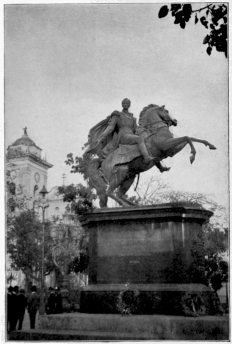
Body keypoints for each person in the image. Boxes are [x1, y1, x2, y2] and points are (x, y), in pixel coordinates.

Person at [86, 98, 155, 164]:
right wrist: (102, 136)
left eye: (127, 103)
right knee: (139, 139)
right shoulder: (117, 114)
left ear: (129, 105)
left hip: (131, 135)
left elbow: (136, 130)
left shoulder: (132, 118)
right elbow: (111, 127)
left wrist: (146, 129)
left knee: (148, 140)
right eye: (124, 103)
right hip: (122, 135)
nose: (125, 104)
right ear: (122, 104)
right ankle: (146, 158)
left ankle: (159, 165)